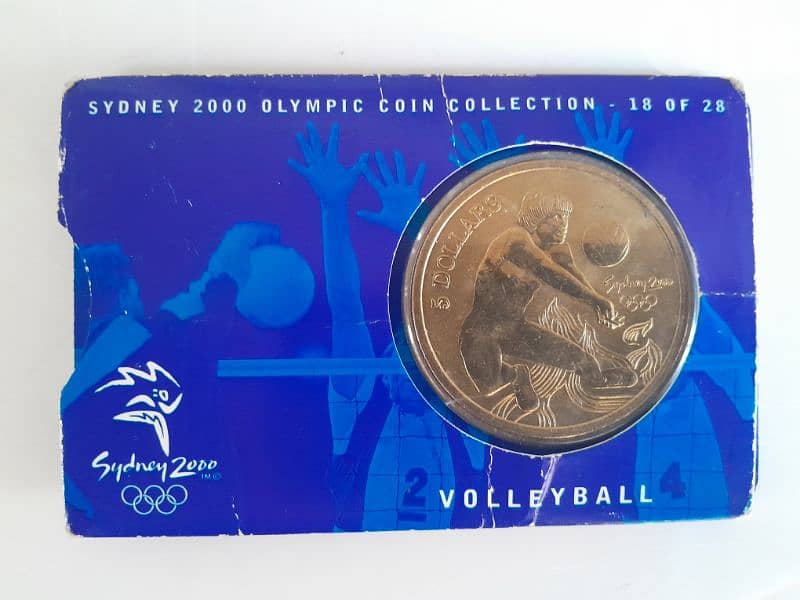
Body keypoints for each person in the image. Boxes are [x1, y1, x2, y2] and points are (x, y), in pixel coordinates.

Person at [459, 191, 637, 410]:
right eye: (556, 216)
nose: (564, 224)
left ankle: (600, 380)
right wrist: (595, 299)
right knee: (489, 386)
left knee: (584, 362)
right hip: (481, 331)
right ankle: (516, 375)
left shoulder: (557, 250)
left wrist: (597, 302)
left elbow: (571, 276)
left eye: (566, 217)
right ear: (536, 217)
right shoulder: (515, 238)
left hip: (516, 329)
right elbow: (548, 270)